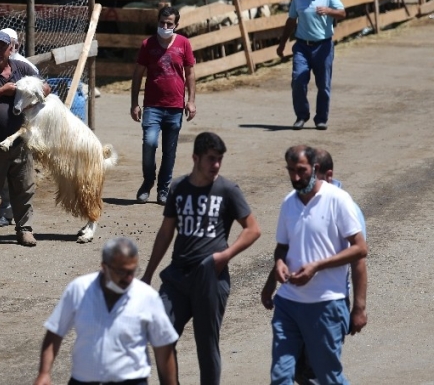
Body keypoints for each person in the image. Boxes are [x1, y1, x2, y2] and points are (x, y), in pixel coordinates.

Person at [140, 132, 261, 385]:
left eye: (219, 159)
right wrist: (148, 274)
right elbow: (165, 233)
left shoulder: (227, 190)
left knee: (207, 347)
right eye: (211, 159)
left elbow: (253, 229)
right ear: (195, 158)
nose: (216, 165)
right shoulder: (178, 188)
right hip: (177, 277)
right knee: (162, 336)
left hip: (211, 278)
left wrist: (225, 255)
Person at [260, 148, 367, 385]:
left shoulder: (339, 200)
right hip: (288, 304)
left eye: (301, 171)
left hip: (326, 304)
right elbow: (283, 247)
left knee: (327, 378)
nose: (296, 178)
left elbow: (360, 250)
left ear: (315, 169)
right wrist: (275, 272)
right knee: (281, 376)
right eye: (291, 171)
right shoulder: (289, 202)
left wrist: (358, 307)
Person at [34, 237, 179, 385]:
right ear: (104, 267)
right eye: (122, 272)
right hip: (83, 381)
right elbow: (55, 332)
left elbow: (163, 348)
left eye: (132, 271)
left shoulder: (147, 297)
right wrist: (44, 373)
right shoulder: (79, 289)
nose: (128, 278)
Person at [0, 30, 47, 247]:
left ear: (10, 49)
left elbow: (46, 87)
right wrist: (2, 91)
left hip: (21, 141)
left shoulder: (22, 68)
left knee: (24, 187)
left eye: (2, 47)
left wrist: (32, 97)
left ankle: (24, 229)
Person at [131, 6, 196, 205]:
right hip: (152, 106)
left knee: (169, 151)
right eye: (162, 22)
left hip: (175, 106)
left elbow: (190, 73)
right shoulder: (147, 44)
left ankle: (163, 189)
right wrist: (134, 103)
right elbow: (137, 74)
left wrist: (191, 101)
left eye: (169, 24)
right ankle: (148, 181)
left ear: (176, 25)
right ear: (157, 21)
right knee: (149, 143)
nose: (165, 26)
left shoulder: (183, 44)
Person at [276, 0, 346, 131]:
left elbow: (342, 13)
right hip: (302, 46)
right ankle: (301, 115)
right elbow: (291, 20)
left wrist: (329, 11)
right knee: (298, 81)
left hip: (323, 46)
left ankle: (321, 119)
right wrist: (282, 44)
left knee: (323, 85)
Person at [0, 27, 37, 227]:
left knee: (21, 177)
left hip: (22, 129)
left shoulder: (25, 67)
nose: (1, 49)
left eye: (7, 44)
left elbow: (42, 90)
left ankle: (15, 217)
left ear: (15, 46)